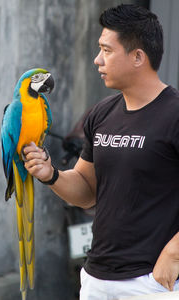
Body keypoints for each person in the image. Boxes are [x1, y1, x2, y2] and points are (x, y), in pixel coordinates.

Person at [23, 4, 179, 299]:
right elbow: (86, 191)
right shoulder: (101, 114)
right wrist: (51, 174)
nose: (97, 60)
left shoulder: (175, 114)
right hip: (96, 279)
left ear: (137, 57)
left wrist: (174, 253)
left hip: (152, 284)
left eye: (106, 50)